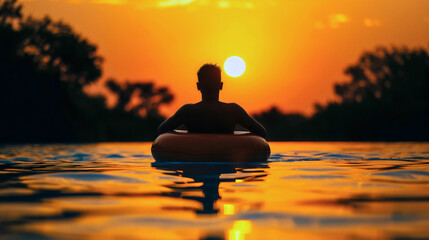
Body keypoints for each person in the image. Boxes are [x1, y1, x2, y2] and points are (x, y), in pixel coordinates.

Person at [157, 64, 267, 138]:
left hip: (193, 164)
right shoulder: (233, 111)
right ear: (221, 86)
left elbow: (161, 130)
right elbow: (262, 132)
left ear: (198, 86)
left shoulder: (187, 111)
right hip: (226, 164)